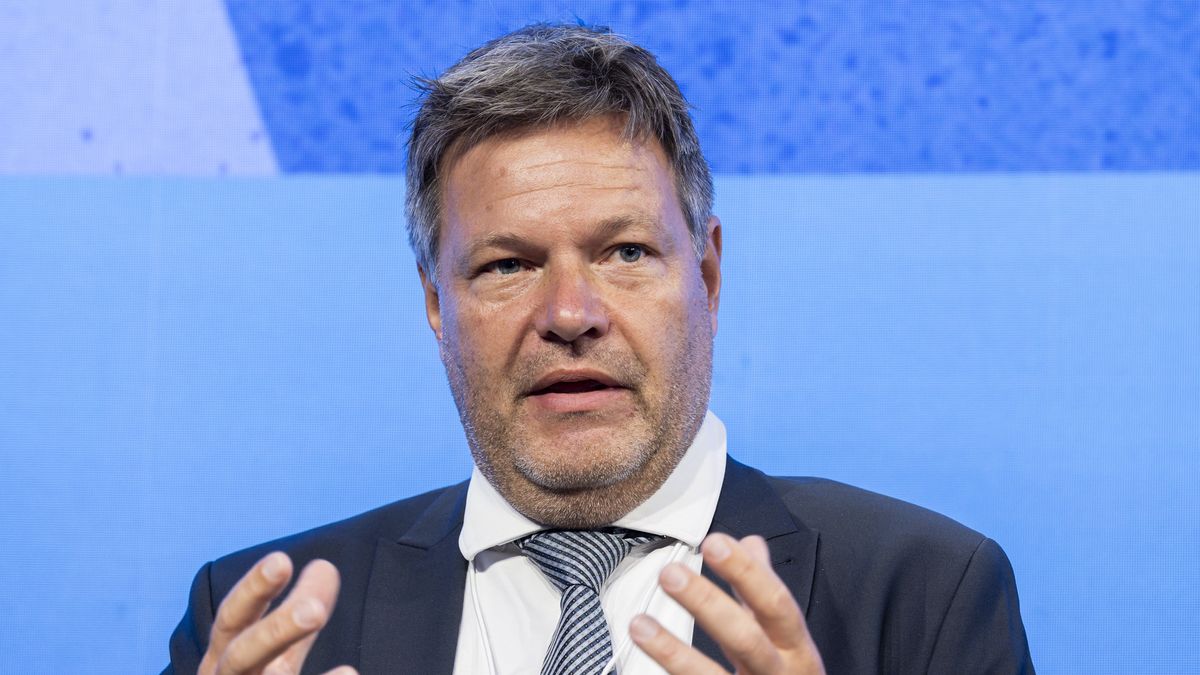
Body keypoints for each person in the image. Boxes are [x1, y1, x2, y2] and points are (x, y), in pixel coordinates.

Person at [166, 23, 1033, 675]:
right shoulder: (261, 627)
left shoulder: (925, 595)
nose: (571, 313)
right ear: (436, 301)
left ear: (709, 274)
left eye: (625, 252)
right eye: (508, 263)